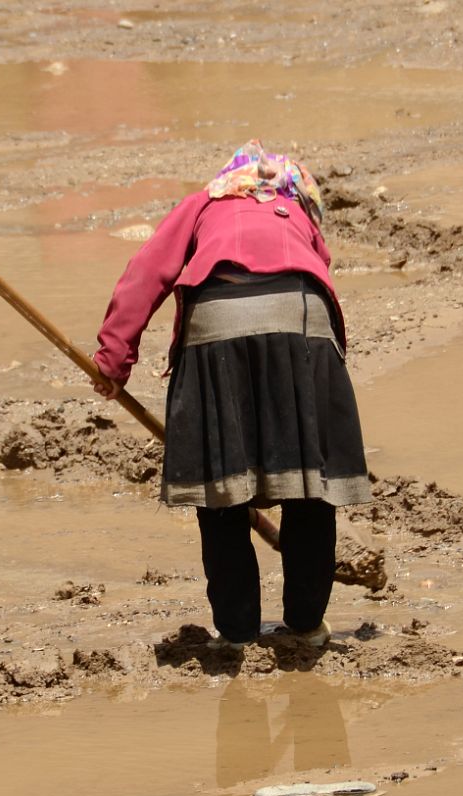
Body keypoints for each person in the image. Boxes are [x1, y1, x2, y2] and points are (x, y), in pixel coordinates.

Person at [91, 140, 371, 648]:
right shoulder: (299, 215)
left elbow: (145, 274)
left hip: (216, 326)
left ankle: (237, 631)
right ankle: (306, 626)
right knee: (310, 489)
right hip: (301, 324)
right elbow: (322, 281)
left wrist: (114, 361)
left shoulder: (203, 205)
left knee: (222, 491)